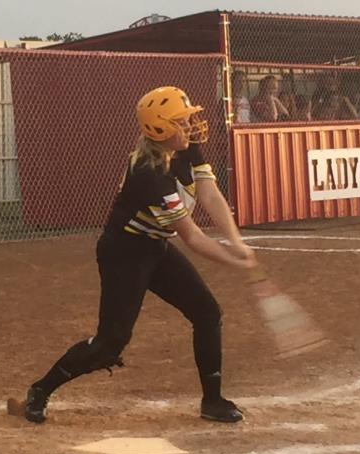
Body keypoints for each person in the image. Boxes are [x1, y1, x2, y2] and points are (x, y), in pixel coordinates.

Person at [17, 86, 258, 425]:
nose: (189, 126)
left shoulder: (186, 148)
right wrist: (233, 260)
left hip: (155, 246)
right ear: (160, 129)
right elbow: (191, 235)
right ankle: (41, 390)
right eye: (180, 122)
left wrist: (236, 240)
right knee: (111, 342)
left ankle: (213, 401)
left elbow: (210, 194)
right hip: (124, 253)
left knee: (207, 313)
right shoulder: (149, 172)